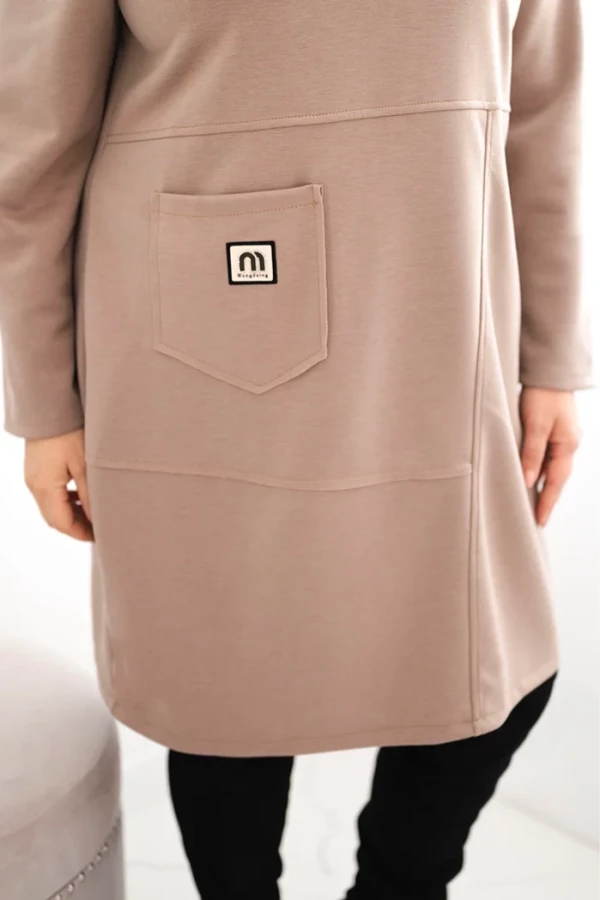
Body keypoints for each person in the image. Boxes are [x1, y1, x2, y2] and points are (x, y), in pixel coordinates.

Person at [0, 1, 594, 898]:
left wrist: (552, 359)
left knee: (492, 679)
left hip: (445, 332)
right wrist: (47, 404)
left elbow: (546, 109)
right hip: (195, 346)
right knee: (229, 691)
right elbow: (32, 153)